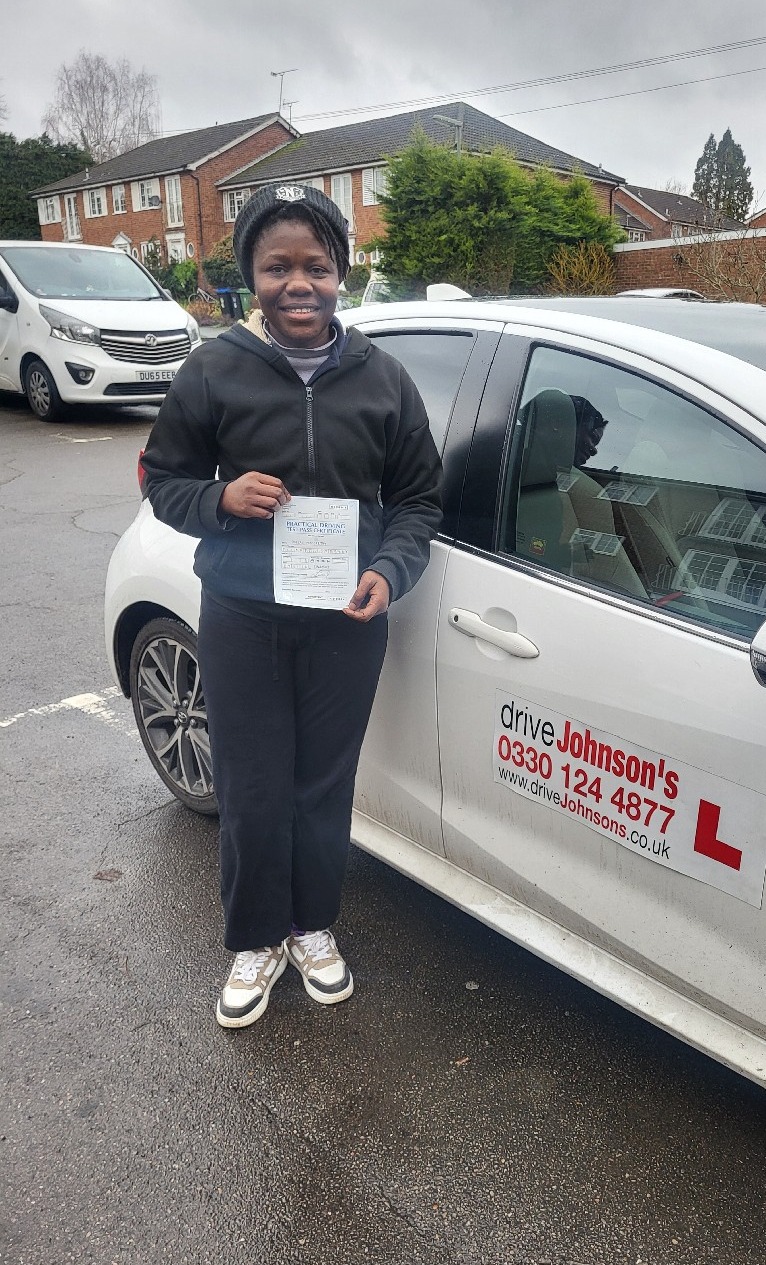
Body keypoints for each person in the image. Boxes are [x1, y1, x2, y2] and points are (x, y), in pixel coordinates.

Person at [140, 182, 442, 1028]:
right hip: (243, 614)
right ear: (252, 276)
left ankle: (312, 927)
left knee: (322, 783)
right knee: (251, 783)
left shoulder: (383, 379)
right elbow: (164, 479)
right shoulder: (213, 370)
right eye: (277, 267)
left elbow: (418, 500)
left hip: (347, 618)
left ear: (341, 272)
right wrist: (221, 498)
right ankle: (255, 938)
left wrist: (391, 570)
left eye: (316, 265)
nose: (298, 284)